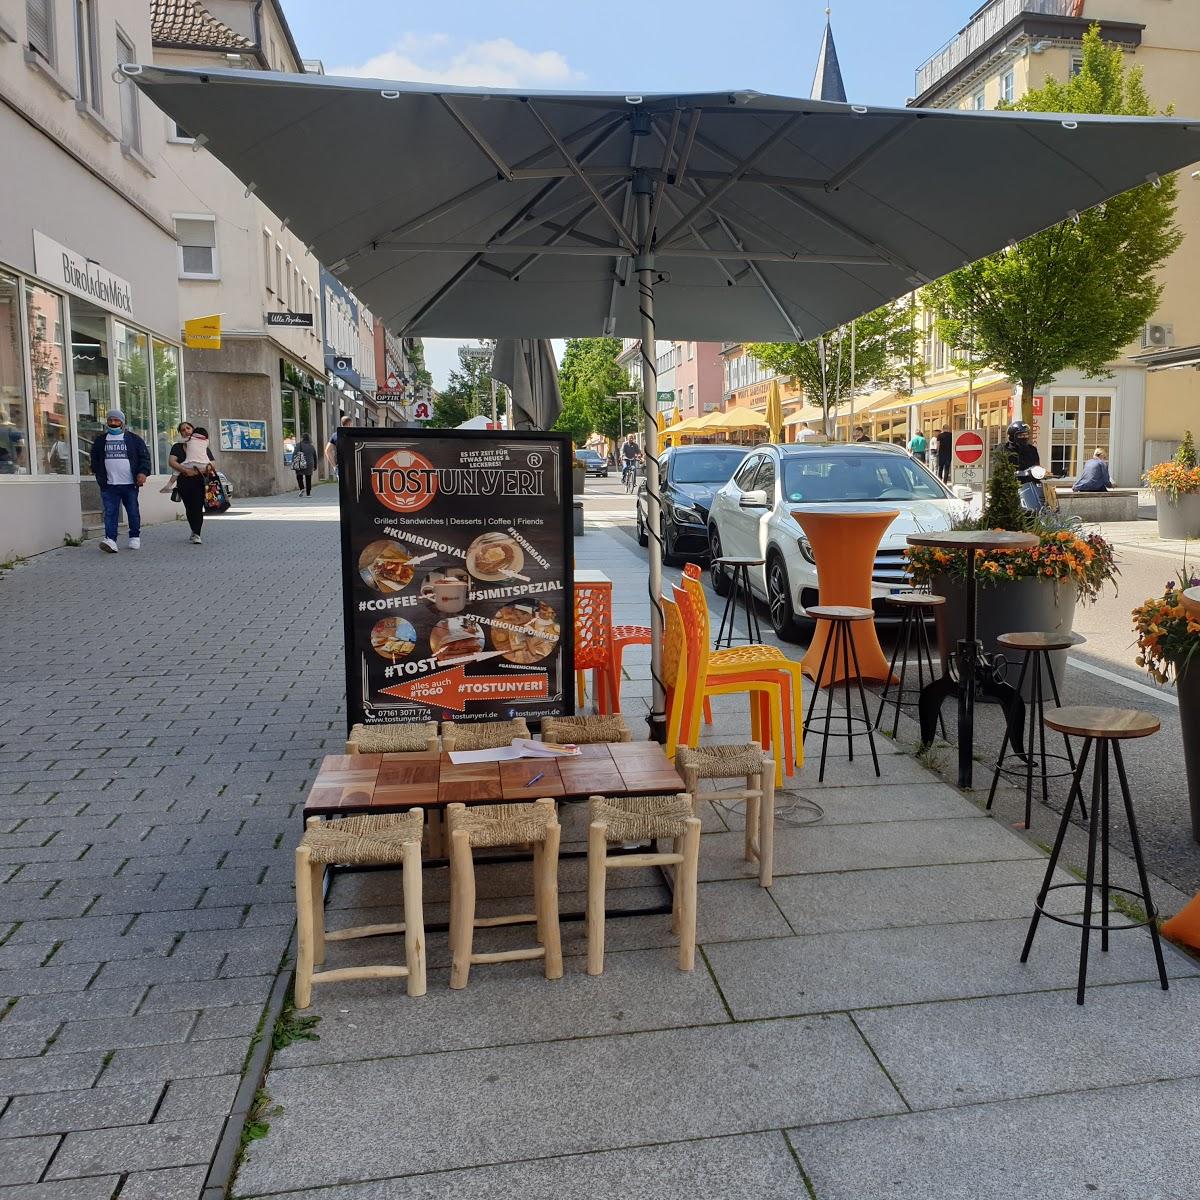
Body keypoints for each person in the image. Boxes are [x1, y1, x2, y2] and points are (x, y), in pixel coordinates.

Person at [91, 408, 150, 553]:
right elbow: (95, 459)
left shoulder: (134, 439)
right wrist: (98, 474)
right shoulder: (100, 441)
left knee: (132, 511)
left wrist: (143, 473)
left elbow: (144, 458)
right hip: (109, 484)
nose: (113, 423)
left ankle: (134, 536)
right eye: (110, 420)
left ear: (122, 422)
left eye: (116, 420)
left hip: (130, 484)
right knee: (110, 512)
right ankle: (110, 540)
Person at [169, 420, 215, 545]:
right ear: (180, 433)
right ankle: (194, 530)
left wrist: (195, 472)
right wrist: (185, 470)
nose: (186, 431)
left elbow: (212, 464)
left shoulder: (202, 445)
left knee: (198, 507)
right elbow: (172, 462)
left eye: (188, 428)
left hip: (199, 481)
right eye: (183, 430)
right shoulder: (177, 447)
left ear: (193, 430)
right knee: (189, 508)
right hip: (184, 481)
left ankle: (197, 533)